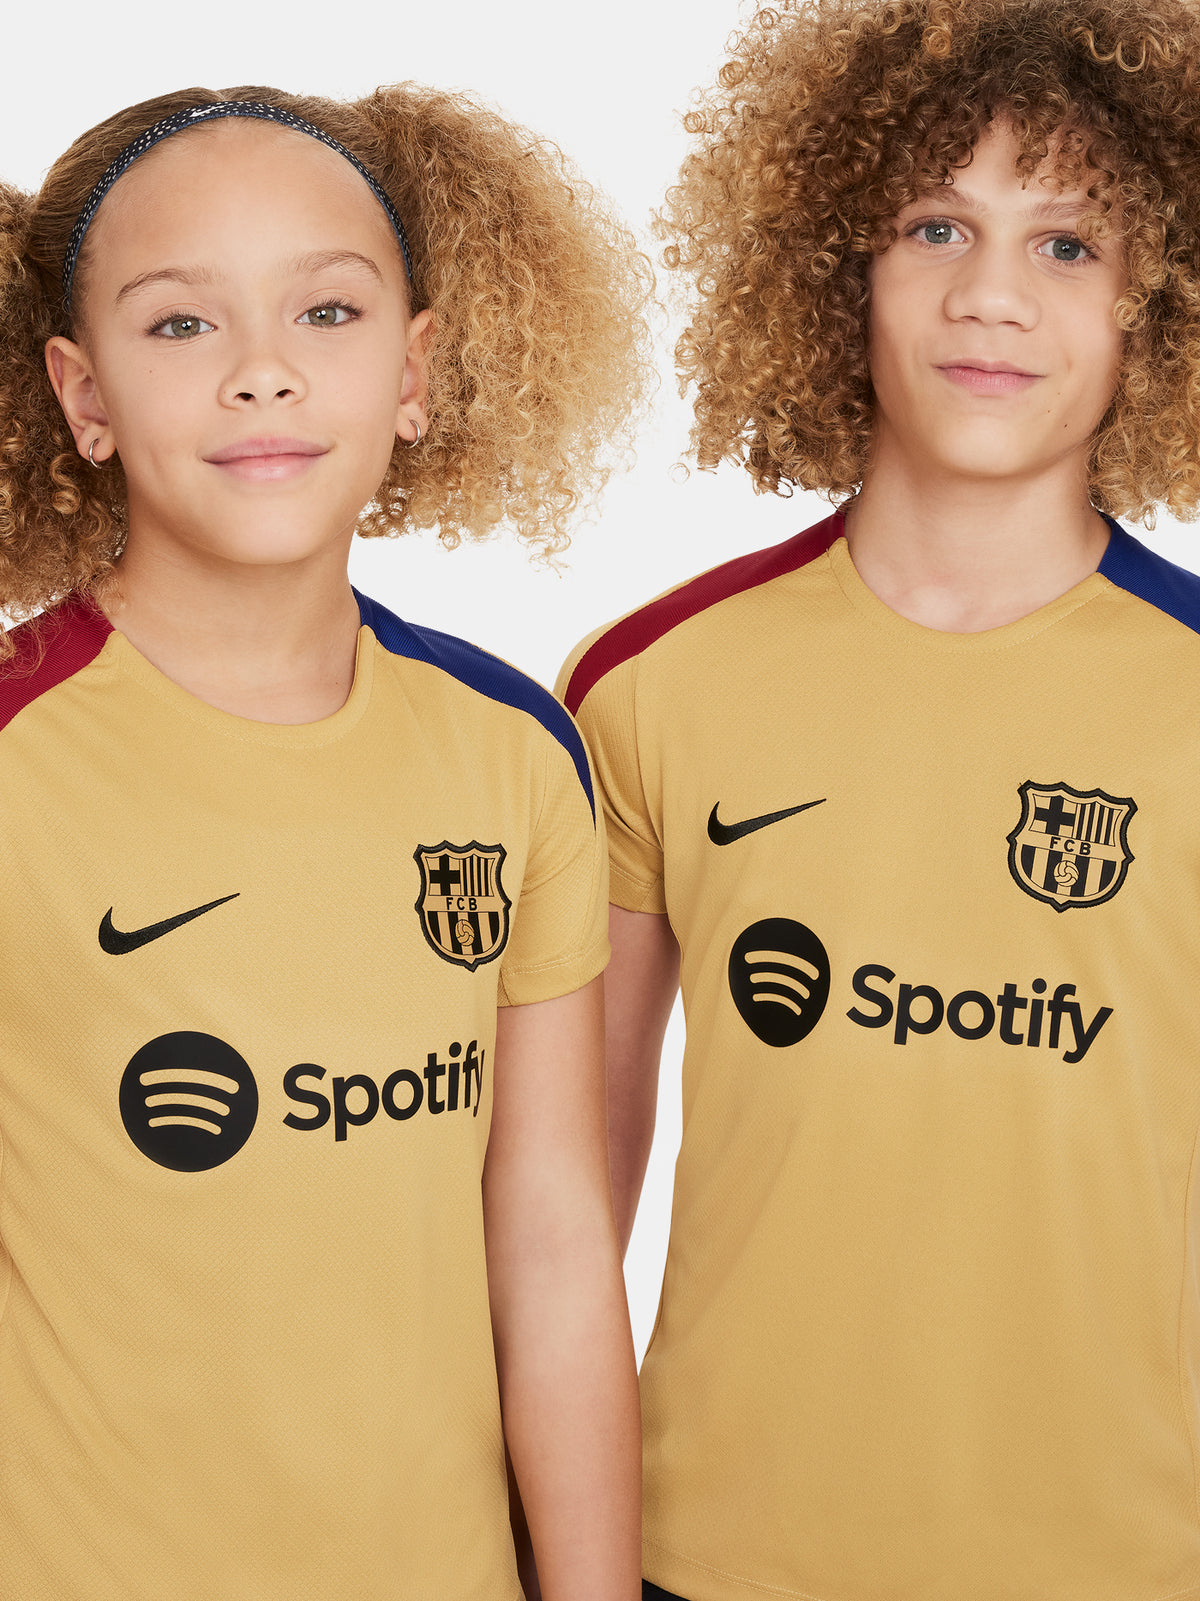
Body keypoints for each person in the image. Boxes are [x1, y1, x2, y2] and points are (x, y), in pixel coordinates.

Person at [559, 0, 1200, 1595]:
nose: (992, 293)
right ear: (839, 269)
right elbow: (564, 1199)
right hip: (709, 1555)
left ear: (1158, 309)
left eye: (1069, 246)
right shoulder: (648, 680)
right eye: (937, 224)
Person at [0, 82, 651, 1601]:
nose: (264, 376)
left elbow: (552, 1244)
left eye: (329, 313)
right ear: (82, 396)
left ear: (415, 369)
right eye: (181, 327)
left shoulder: (513, 754)